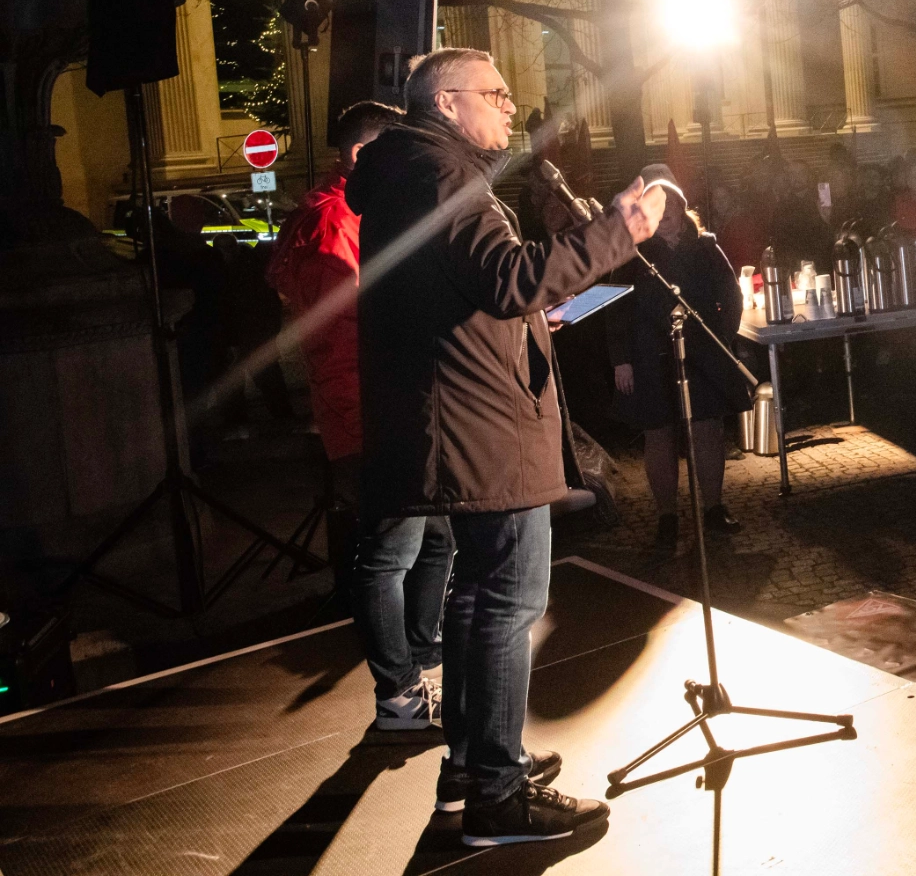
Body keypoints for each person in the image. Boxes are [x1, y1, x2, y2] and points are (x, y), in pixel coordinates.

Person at [348, 47, 667, 845]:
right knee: (508, 602)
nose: (507, 106)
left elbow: (465, 292)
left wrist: (529, 316)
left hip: (458, 416)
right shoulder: (445, 176)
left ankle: (473, 760)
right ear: (448, 102)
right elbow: (509, 279)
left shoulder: (411, 171)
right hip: (478, 427)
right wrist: (616, 233)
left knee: (473, 594)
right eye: (494, 94)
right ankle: (496, 793)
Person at [268, 99, 458, 728]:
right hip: (371, 409)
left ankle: (421, 662)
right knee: (390, 550)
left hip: (379, 400)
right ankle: (400, 693)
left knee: (436, 537)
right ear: (361, 156)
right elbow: (344, 328)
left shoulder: (348, 213)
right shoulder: (334, 223)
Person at [609, 168, 750, 555]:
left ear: (682, 204)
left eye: (670, 200)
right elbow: (616, 306)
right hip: (651, 355)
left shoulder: (705, 246)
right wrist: (621, 359)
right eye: (657, 201)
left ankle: (713, 509)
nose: (665, 209)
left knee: (707, 430)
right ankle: (667, 517)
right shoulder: (635, 251)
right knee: (660, 435)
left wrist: (721, 337)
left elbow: (731, 295)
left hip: (701, 354)